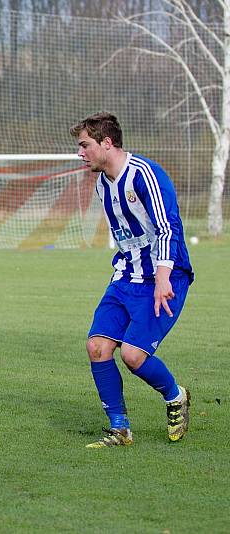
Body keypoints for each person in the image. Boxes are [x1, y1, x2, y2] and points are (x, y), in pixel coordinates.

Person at [70, 112, 194, 448]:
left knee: (134, 356)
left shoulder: (145, 175)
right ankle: (120, 428)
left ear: (106, 143)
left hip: (165, 276)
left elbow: (169, 227)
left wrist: (164, 277)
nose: (80, 152)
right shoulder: (101, 184)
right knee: (97, 347)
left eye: (85, 145)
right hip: (126, 276)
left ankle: (175, 396)